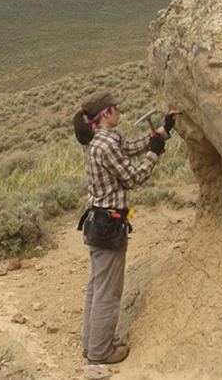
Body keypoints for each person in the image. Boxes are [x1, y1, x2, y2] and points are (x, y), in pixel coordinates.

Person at [73, 90, 178, 366]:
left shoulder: (100, 139)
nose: (120, 112)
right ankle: (100, 353)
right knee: (108, 292)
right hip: (109, 225)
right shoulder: (105, 145)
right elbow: (133, 178)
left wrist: (162, 133)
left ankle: (92, 344)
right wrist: (154, 155)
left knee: (97, 287)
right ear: (106, 113)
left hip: (99, 222)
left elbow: (129, 148)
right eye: (116, 109)